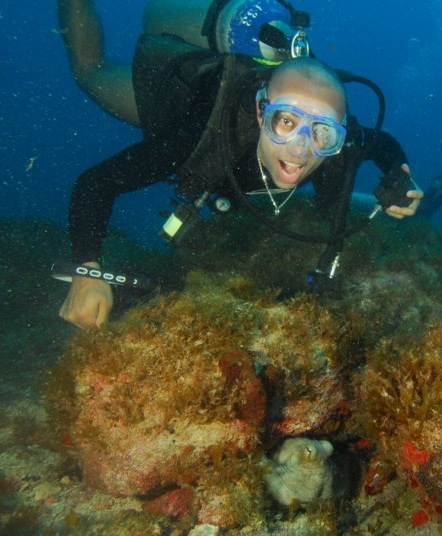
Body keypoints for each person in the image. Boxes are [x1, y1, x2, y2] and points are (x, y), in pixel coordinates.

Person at [55, 0, 422, 330]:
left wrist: (400, 175)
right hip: (183, 103)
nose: (300, 150)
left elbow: (382, 144)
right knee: (89, 72)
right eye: (286, 121)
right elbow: (95, 184)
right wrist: (87, 271)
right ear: (261, 112)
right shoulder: (203, 131)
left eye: (322, 132)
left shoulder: (339, 142)